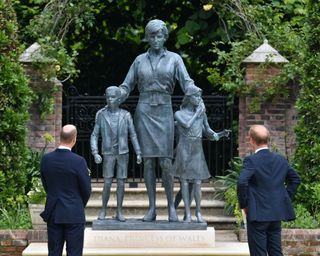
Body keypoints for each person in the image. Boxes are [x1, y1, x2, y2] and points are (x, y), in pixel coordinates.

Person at [118, 19, 199, 222]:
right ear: (148, 37)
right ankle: (152, 207)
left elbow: (186, 82)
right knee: (147, 161)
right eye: (152, 35)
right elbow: (127, 85)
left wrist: (195, 92)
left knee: (165, 161)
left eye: (159, 35)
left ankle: (171, 207)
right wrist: (116, 95)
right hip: (144, 111)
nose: (155, 39)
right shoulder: (139, 60)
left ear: (165, 37)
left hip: (164, 110)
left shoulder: (174, 59)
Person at [237, 124, 301, 256]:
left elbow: (242, 182)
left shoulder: (251, 160)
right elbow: (295, 179)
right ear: (268, 139)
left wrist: (244, 205)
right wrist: (284, 197)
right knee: (276, 252)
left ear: (251, 140)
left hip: (257, 215)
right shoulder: (280, 159)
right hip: (276, 213)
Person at [171, 87, 230, 223]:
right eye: (196, 96)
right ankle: (187, 214)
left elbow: (208, 131)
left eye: (199, 97)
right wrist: (197, 114)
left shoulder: (201, 114)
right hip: (184, 148)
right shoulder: (179, 114)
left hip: (197, 148)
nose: (199, 99)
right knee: (184, 182)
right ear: (189, 98)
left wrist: (220, 134)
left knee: (197, 182)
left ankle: (198, 212)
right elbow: (186, 125)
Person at [90, 86, 142, 221]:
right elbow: (94, 135)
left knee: (121, 183)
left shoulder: (126, 115)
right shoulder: (102, 115)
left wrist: (138, 152)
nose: (109, 99)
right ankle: (103, 210)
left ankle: (119, 211)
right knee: (107, 182)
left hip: (123, 152)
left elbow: (133, 134)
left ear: (119, 99)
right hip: (108, 153)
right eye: (107, 97)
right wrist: (95, 152)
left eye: (112, 97)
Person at [40, 124, 92, 256]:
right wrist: (78, 204)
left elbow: (46, 185)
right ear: (74, 139)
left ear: (59, 138)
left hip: (54, 212)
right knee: (74, 253)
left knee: (54, 253)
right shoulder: (79, 161)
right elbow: (86, 189)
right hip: (74, 213)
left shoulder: (46, 160)